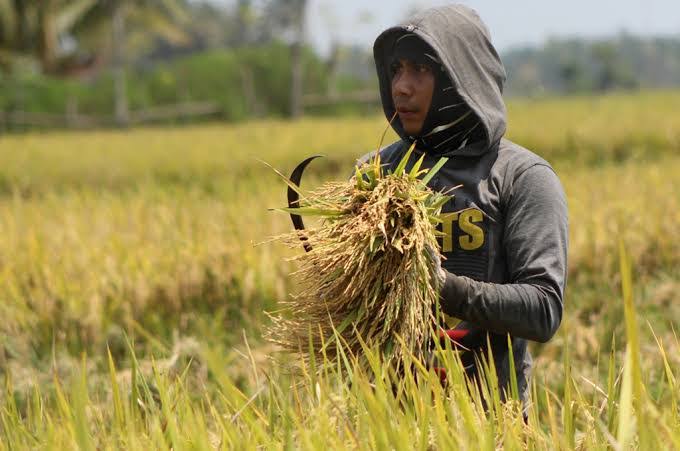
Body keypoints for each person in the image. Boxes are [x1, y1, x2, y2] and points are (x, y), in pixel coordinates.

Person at [363, 4, 569, 409]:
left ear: (462, 77)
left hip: (494, 421)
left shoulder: (521, 178)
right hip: (389, 424)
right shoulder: (376, 177)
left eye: (420, 69)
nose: (401, 87)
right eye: (396, 70)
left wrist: (440, 287)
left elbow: (544, 308)